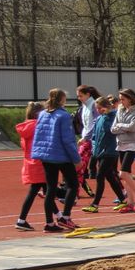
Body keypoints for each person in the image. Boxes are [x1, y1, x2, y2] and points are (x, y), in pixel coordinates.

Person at [32, 89, 82, 232]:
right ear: (62, 100)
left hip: (46, 156)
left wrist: (38, 153)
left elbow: (39, 135)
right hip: (61, 155)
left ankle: (49, 223)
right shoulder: (64, 116)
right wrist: (76, 158)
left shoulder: (42, 114)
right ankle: (66, 217)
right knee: (73, 185)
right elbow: (68, 140)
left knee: (50, 189)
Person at [82, 96, 126, 213]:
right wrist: (95, 151)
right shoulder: (100, 118)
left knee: (100, 176)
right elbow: (95, 136)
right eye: (96, 108)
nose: (97, 110)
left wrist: (108, 115)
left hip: (110, 152)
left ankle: (95, 204)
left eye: (99, 108)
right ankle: (122, 199)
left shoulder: (113, 117)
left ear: (105, 107)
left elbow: (112, 130)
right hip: (100, 152)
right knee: (110, 177)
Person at [111, 88, 135, 213]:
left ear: (130, 99)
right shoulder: (120, 109)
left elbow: (132, 127)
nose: (120, 102)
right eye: (120, 99)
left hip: (132, 144)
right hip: (121, 143)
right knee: (127, 175)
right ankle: (130, 202)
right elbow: (113, 129)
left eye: (123, 99)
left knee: (123, 173)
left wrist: (120, 126)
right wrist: (122, 127)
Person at [15, 102, 46, 231]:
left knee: (46, 191)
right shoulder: (37, 126)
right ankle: (21, 220)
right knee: (38, 191)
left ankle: (59, 216)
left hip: (30, 162)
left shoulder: (26, 127)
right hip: (39, 162)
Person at [75, 85, 101, 197]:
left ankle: (73, 192)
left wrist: (86, 137)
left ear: (88, 94)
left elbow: (95, 123)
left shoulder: (94, 105)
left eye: (81, 96)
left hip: (91, 141)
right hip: (85, 140)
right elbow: (85, 124)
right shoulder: (84, 106)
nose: (79, 98)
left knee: (79, 166)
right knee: (79, 166)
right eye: (78, 96)